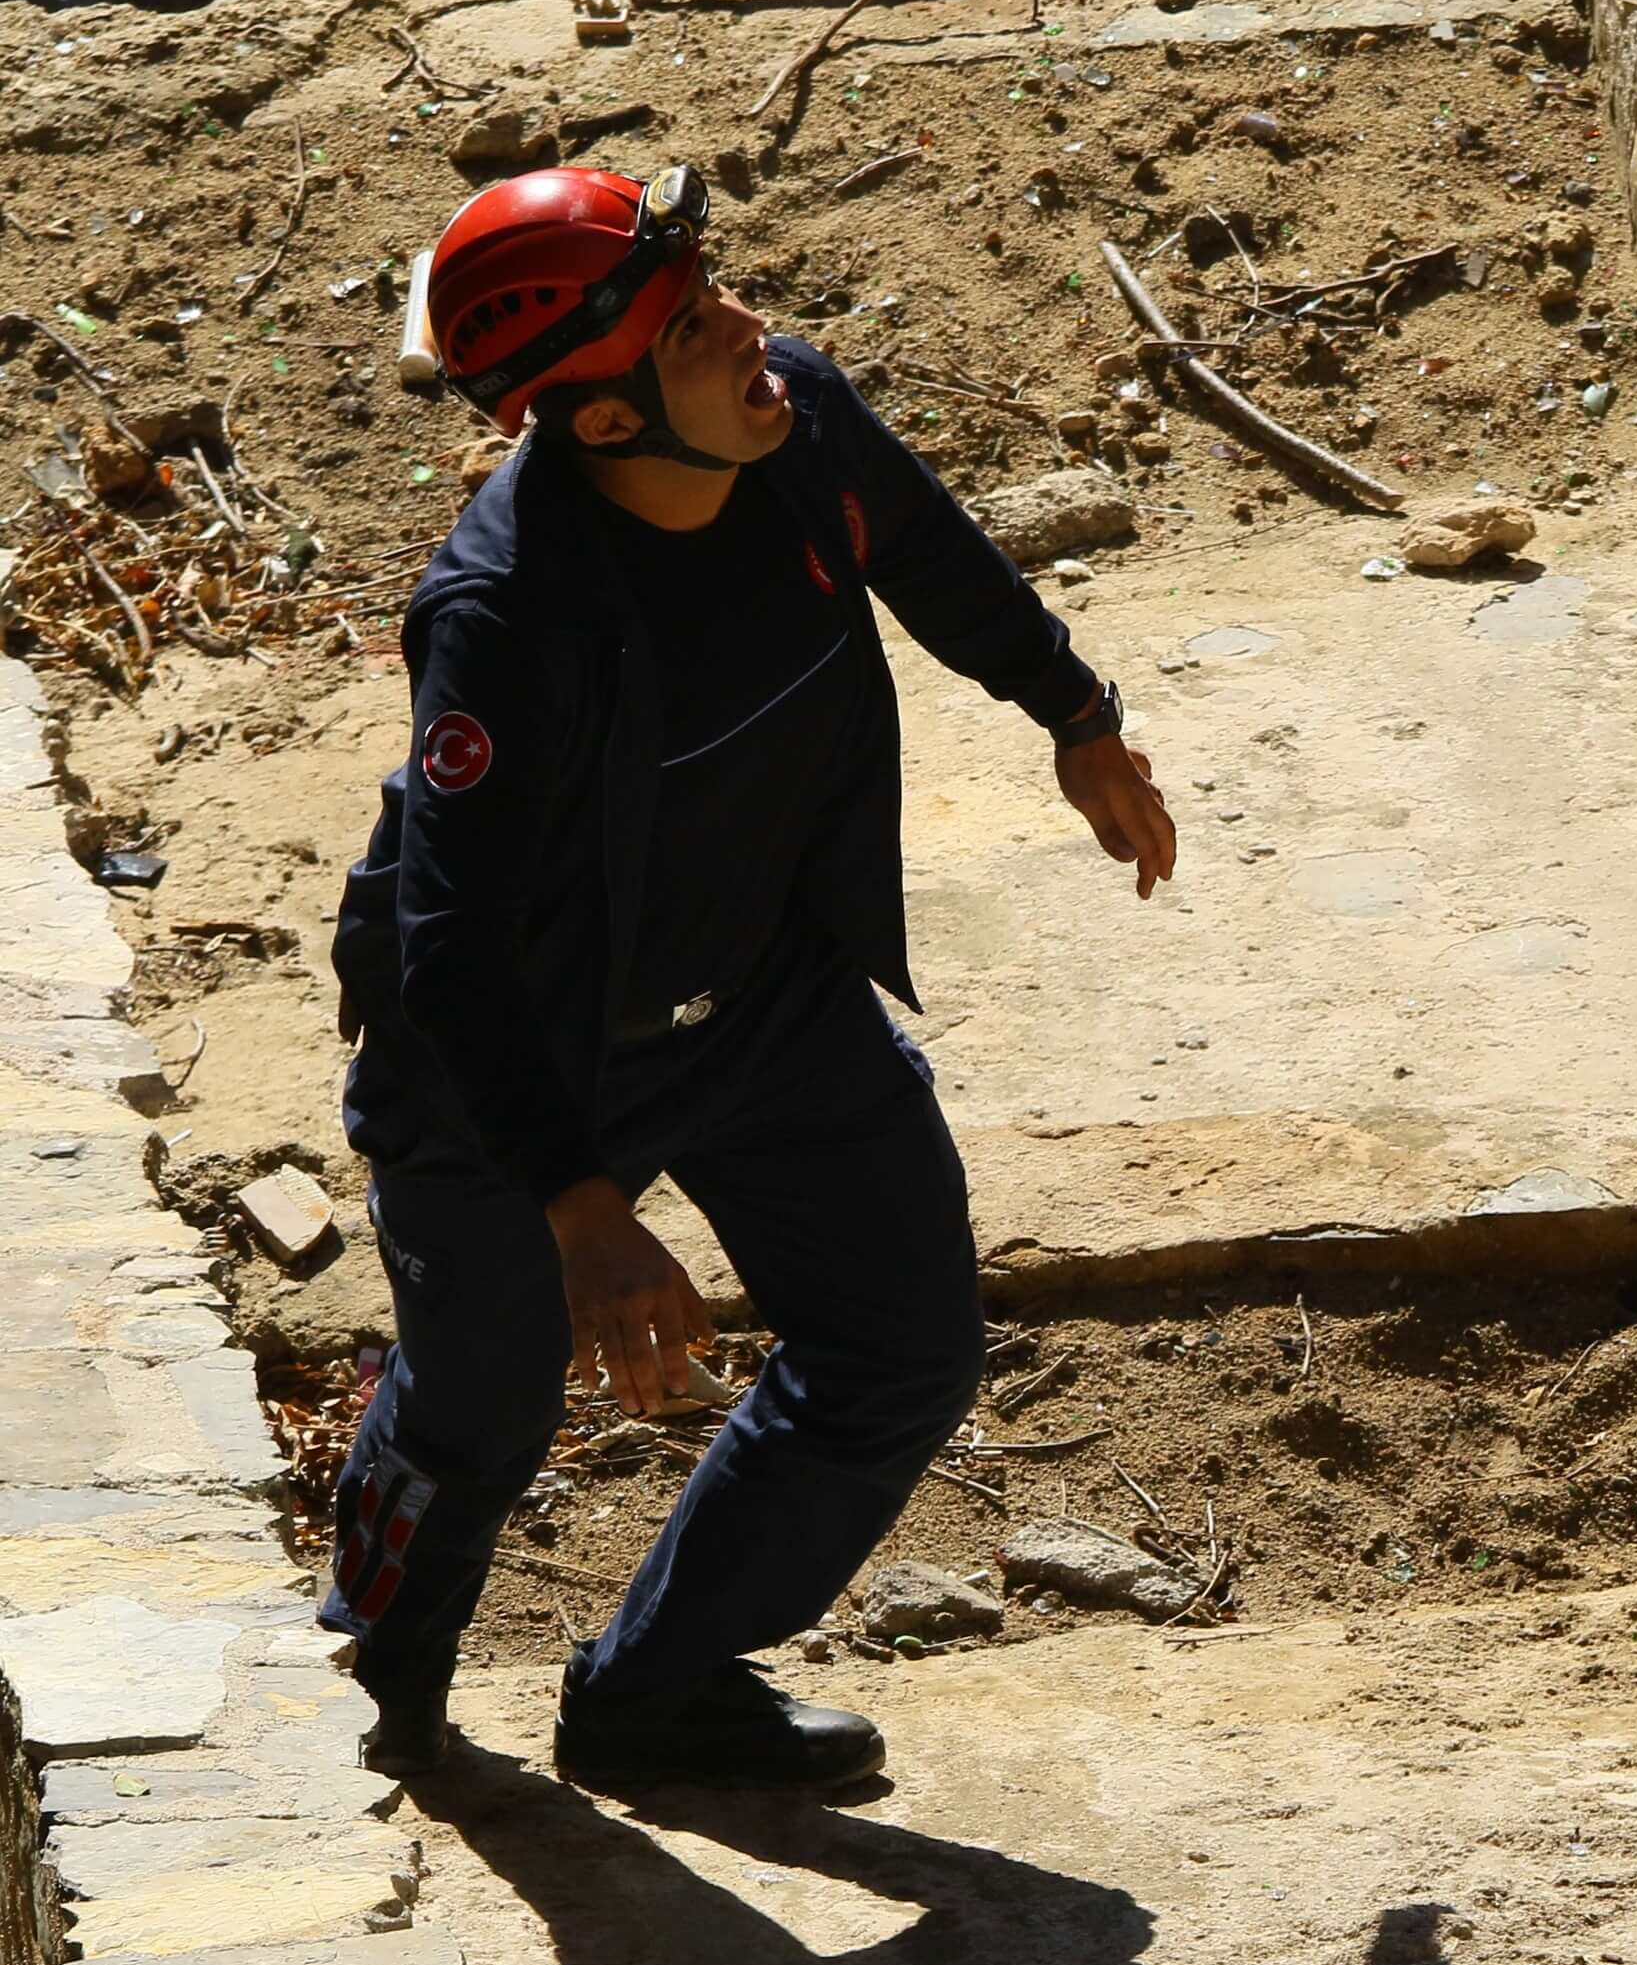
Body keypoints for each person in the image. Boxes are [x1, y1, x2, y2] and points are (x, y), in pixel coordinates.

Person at [324, 164, 1180, 1790]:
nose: (752, 333)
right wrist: (579, 1212)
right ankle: (381, 1677)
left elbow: (925, 549)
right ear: (598, 423)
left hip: (757, 998)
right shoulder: (509, 620)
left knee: (903, 1341)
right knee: (479, 1420)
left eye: (719, 292)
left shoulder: (791, 428)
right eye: (695, 323)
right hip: (516, 1067)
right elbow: (452, 945)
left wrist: (1074, 715)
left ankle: (654, 1693)